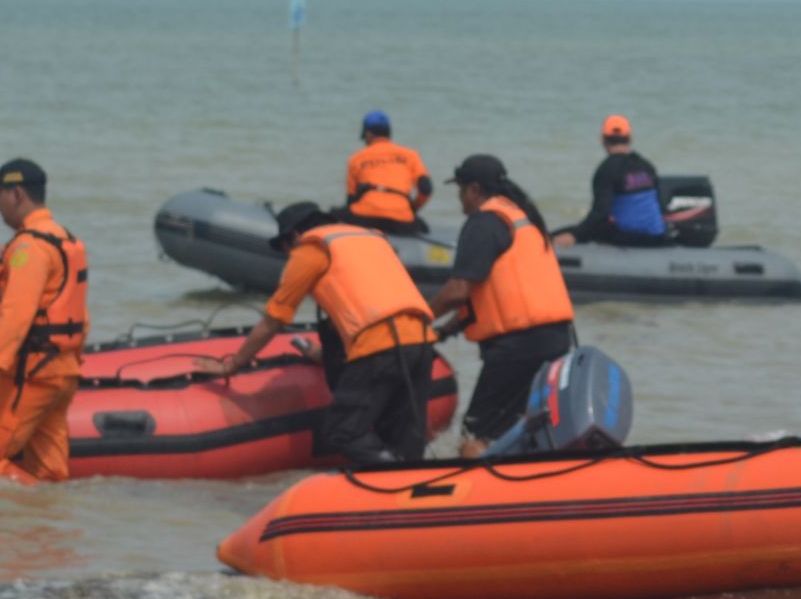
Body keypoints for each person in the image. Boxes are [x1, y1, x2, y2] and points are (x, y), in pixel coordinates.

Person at [197, 202, 436, 464]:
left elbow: (273, 321)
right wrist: (324, 353)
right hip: (422, 342)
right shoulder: (371, 241)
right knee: (403, 436)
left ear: (295, 236)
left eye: (286, 248)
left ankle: (391, 475)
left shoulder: (311, 250)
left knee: (343, 431)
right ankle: (408, 483)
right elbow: (372, 303)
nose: (288, 255)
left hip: (380, 348)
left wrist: (233, 364)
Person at [430, 155, 575, 458]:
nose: (460, 200)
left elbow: (457, 291)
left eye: (460, 190)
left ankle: (473, 498)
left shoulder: (484, 222)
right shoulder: (523, 218)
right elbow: (501, 295)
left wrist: (416, 318)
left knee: (475, 433)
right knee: (523, 427)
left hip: (517, 348)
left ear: (473, 189)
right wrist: (445, 331)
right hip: (556, 341)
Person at [0, 159, 89, 485]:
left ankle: (18, 518)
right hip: (63, 372)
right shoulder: (67, 240)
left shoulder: (29, 247)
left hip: (33, 374)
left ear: (16, 193)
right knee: (50, 472)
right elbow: (79, 312)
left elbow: (17, 315)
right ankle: (46, 528)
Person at [554, 115, 668, 248]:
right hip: (657, 236)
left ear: (603, 140)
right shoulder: (646, 166)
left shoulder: (606, 170)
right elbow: (659, 203)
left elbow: (601, 213)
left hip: (629, 238)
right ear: (630, 139)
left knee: (557, 235)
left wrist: (575, 235)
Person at [330, 110, 433, 234]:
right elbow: (426, 188)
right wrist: (412, 209)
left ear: (368, 134)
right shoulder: (410, 155)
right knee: (423, 228)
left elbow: (351, 200)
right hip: (402, 220)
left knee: (333, 214)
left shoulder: (356, 158)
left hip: (365, 217)